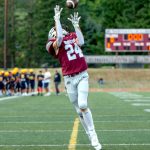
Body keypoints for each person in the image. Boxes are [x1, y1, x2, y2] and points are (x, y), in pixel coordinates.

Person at [46, 5, 102, 150]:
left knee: (83, 105)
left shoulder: (71, 36)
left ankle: (93, 134)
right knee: (78, 110)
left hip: (82, 75)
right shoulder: (53, 45)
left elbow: (82, 42)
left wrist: (76, 26)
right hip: (69, 79)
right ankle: (89, 134)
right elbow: (58, 37)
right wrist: (56, 19)